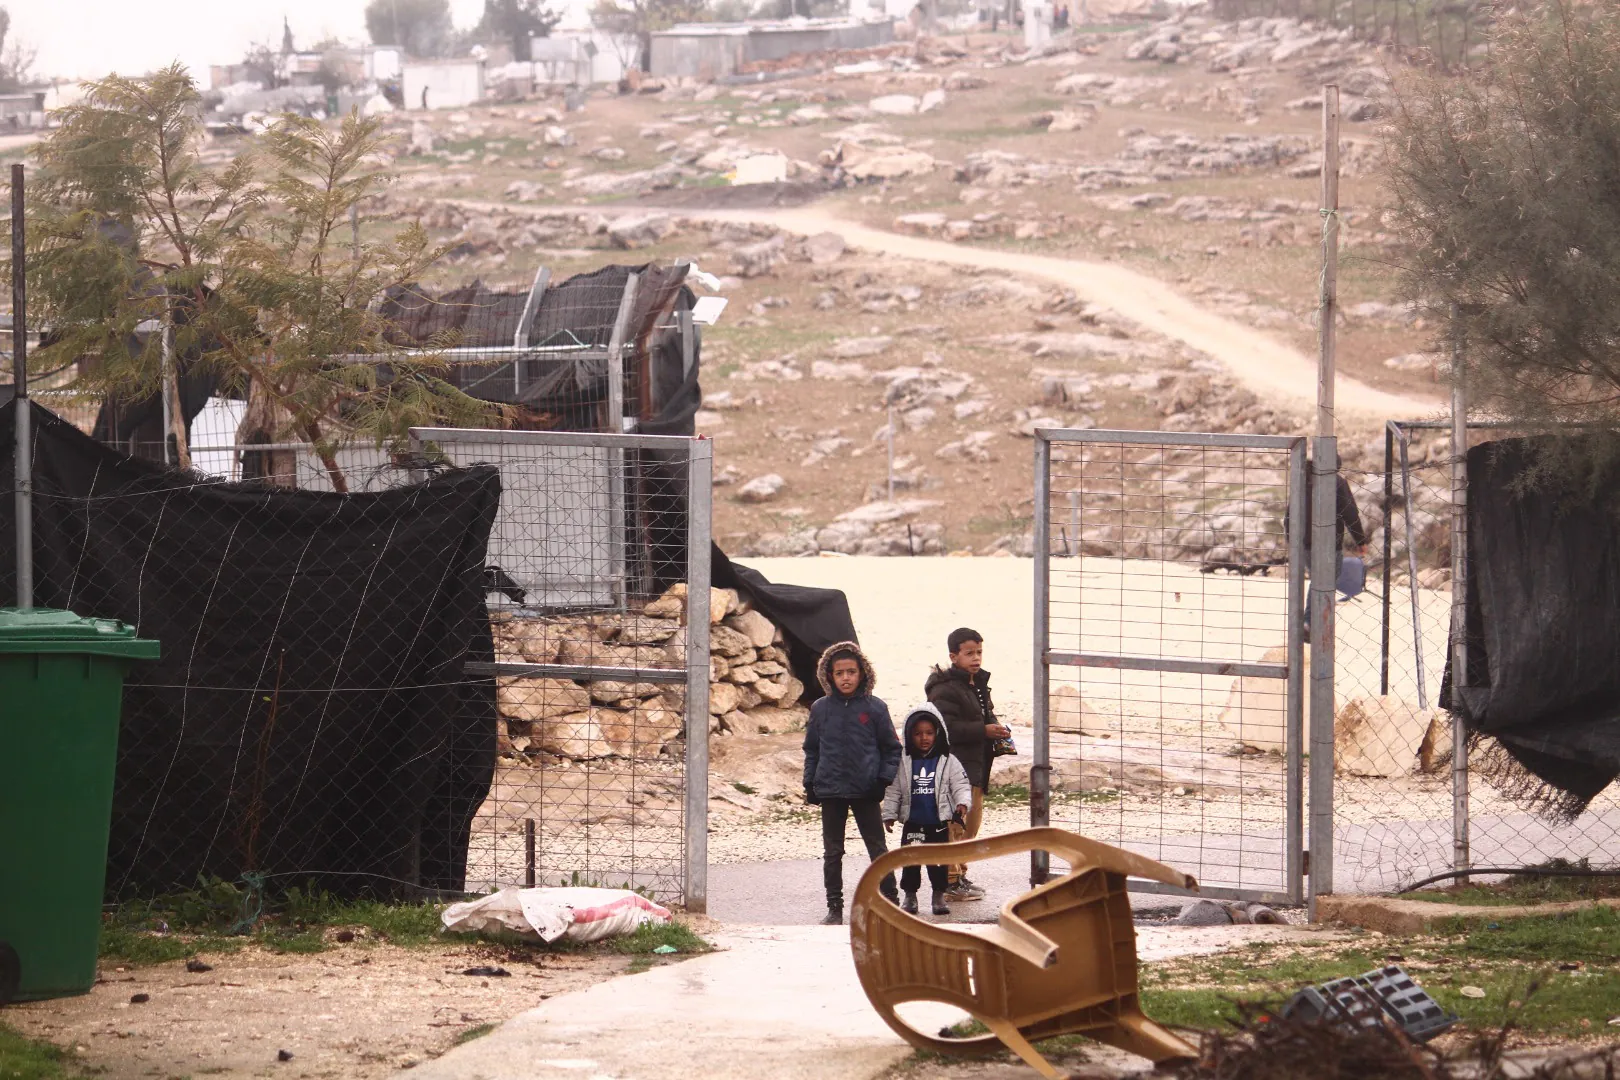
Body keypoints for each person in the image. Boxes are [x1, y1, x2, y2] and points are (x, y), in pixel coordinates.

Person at [804, 640, 901, 925]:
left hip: (866, 790)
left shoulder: (875, 708)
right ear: (829, 676)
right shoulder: (820, 709)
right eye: (839, 673)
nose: (845, 678)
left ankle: (891, 903)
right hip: (831, 791)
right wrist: (810, 783)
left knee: (877, 849)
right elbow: (812, 749)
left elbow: (892, 748)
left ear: (862, 673)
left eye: (851, 672)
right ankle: (834, 908)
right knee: (832, 852)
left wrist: (882, 780)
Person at [924, 628, 1010, 903]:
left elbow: (984, 714)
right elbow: (944, 727)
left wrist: (997, 730)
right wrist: (983, 731)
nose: (976, 658)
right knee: (955, 824)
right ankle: (949, 881)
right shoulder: (944, 689)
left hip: (977, 765)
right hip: (955, 767)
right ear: (954, 656)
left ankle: (959, 873)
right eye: (969, 653)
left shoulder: (977, 684)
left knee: (971, 825)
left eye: (979, 652)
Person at [883, 704, 972, 917]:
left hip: (938, 823)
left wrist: (962, 803)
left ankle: (938, 896)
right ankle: (910, 896)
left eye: (929, 733)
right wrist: (889, 814)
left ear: (938, 733)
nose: (924, 738)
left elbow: (960, 785)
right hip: (913, 822)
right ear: (909, 735)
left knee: (938, 862)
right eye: (918, 733)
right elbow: (894, 790)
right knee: (910, 861)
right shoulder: (904, 762)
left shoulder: (948, 761)